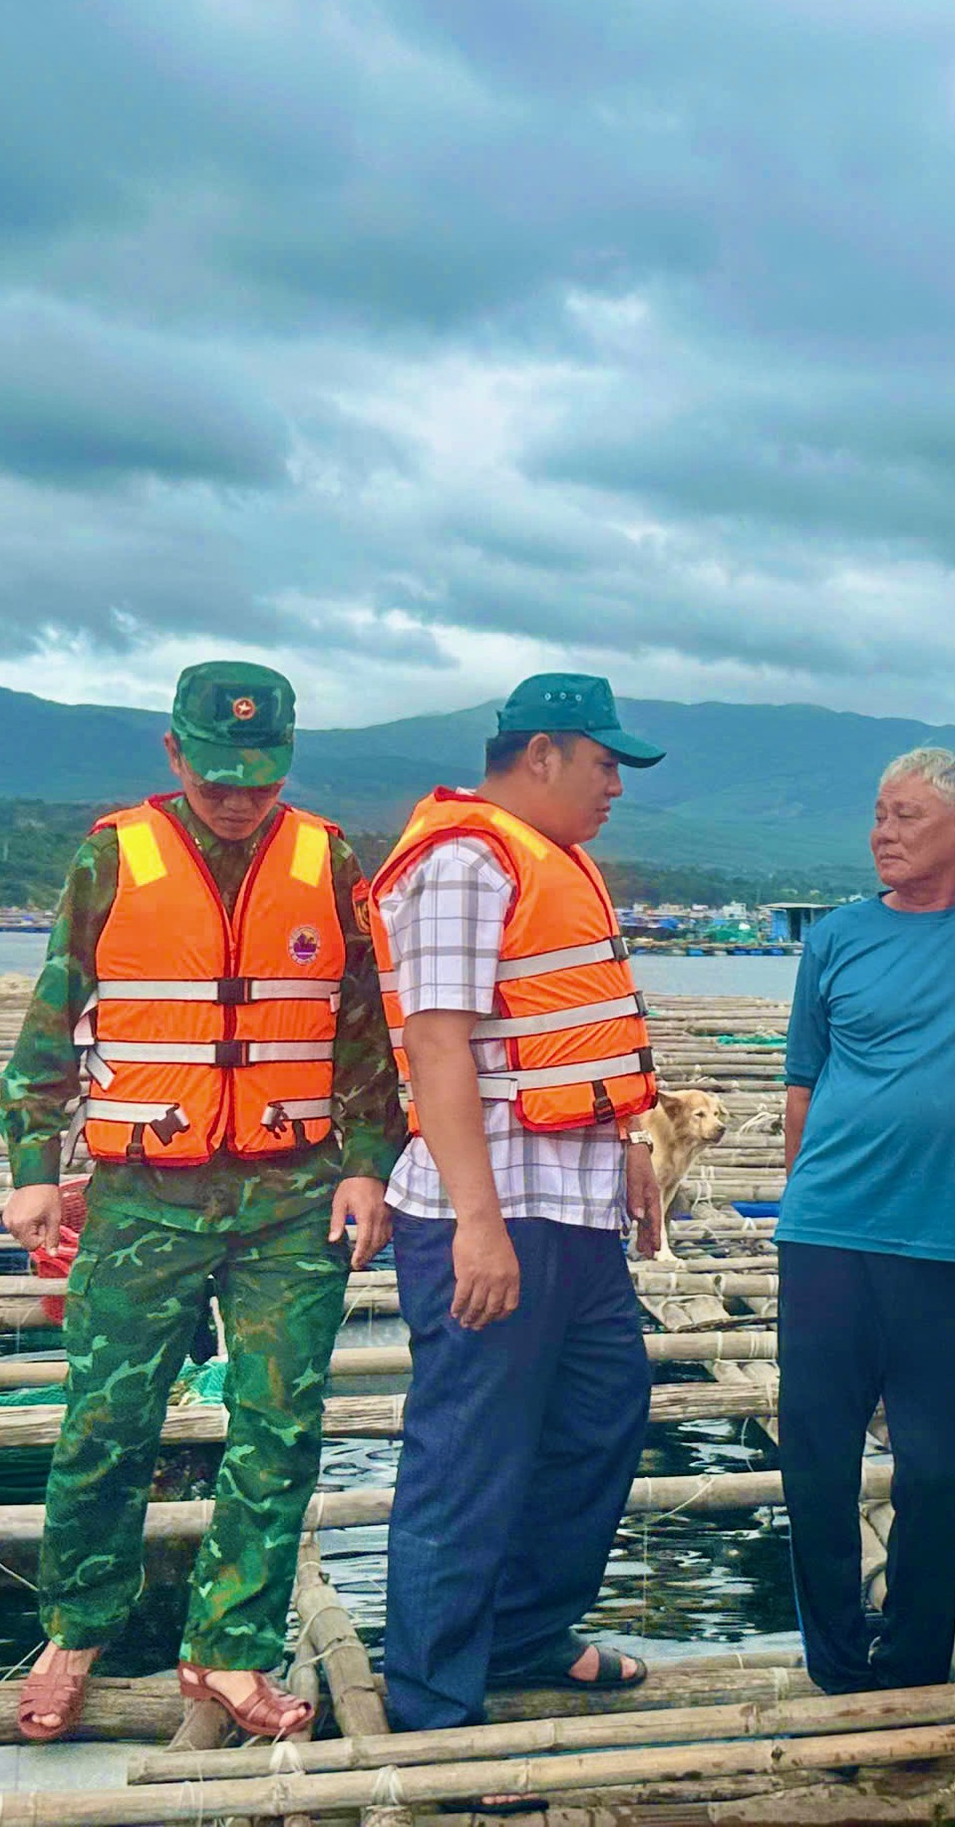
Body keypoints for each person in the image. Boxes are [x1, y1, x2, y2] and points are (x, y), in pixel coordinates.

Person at [0, 661, 401, 1743]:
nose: (236, 794)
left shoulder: (329, 858)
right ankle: (77, 1626)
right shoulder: (109, 855)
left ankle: (228, 1650)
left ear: (287, 763)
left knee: (279, 1427)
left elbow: (365, 1032)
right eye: (216, 772)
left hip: (292, 1195)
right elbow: (51, 1021)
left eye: (259, 775)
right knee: (105, 1422)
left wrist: (371, 1163)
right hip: (142, 1196)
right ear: (174, 754)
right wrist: (34, 1165)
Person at [371, 674, 669, 1734]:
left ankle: (523, 1635)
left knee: (601, 1419)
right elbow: (437, 1046)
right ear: (541, 753)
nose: (613, 790)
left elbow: (566, 1035)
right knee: (469, 1455)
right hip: (489, 1210)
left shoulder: (555, 862)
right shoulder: (462, 861)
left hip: (573, 1207)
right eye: (604, 766)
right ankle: (432, 1704)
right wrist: (477, 1225)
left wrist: (627, 1139)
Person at [777, 748, 955, 1694]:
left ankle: (916, 1654)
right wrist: (799, 1207)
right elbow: (801, 1085)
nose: (881, 834)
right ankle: (835, 1664)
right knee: (818, 1463)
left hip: (945, 1244)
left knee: (935, 1469)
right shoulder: (837, 938)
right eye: (878, 814)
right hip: (827, 1239)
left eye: (905, 816)